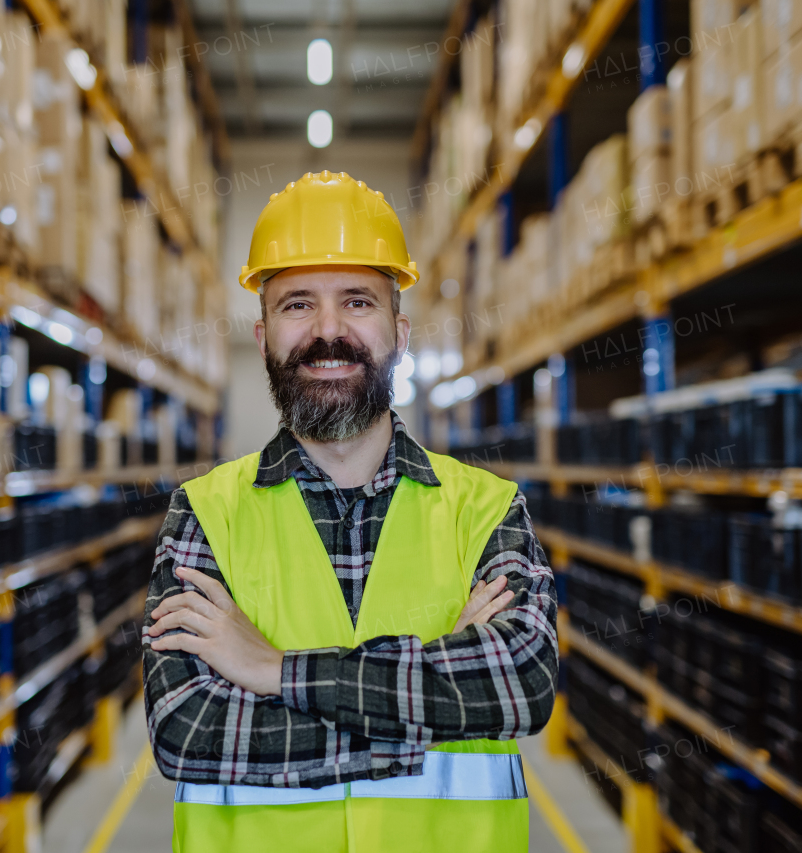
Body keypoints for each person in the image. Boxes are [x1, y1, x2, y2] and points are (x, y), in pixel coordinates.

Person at [142, 171, 559, 853]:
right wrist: (434, 696)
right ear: (263, 334)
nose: (328, 332)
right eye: (297, 304)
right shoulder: (203, 514)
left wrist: (275, 671)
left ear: (399, 330)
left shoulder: (485, 508)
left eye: (357, 301)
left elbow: (520, 679)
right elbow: (188, 729)